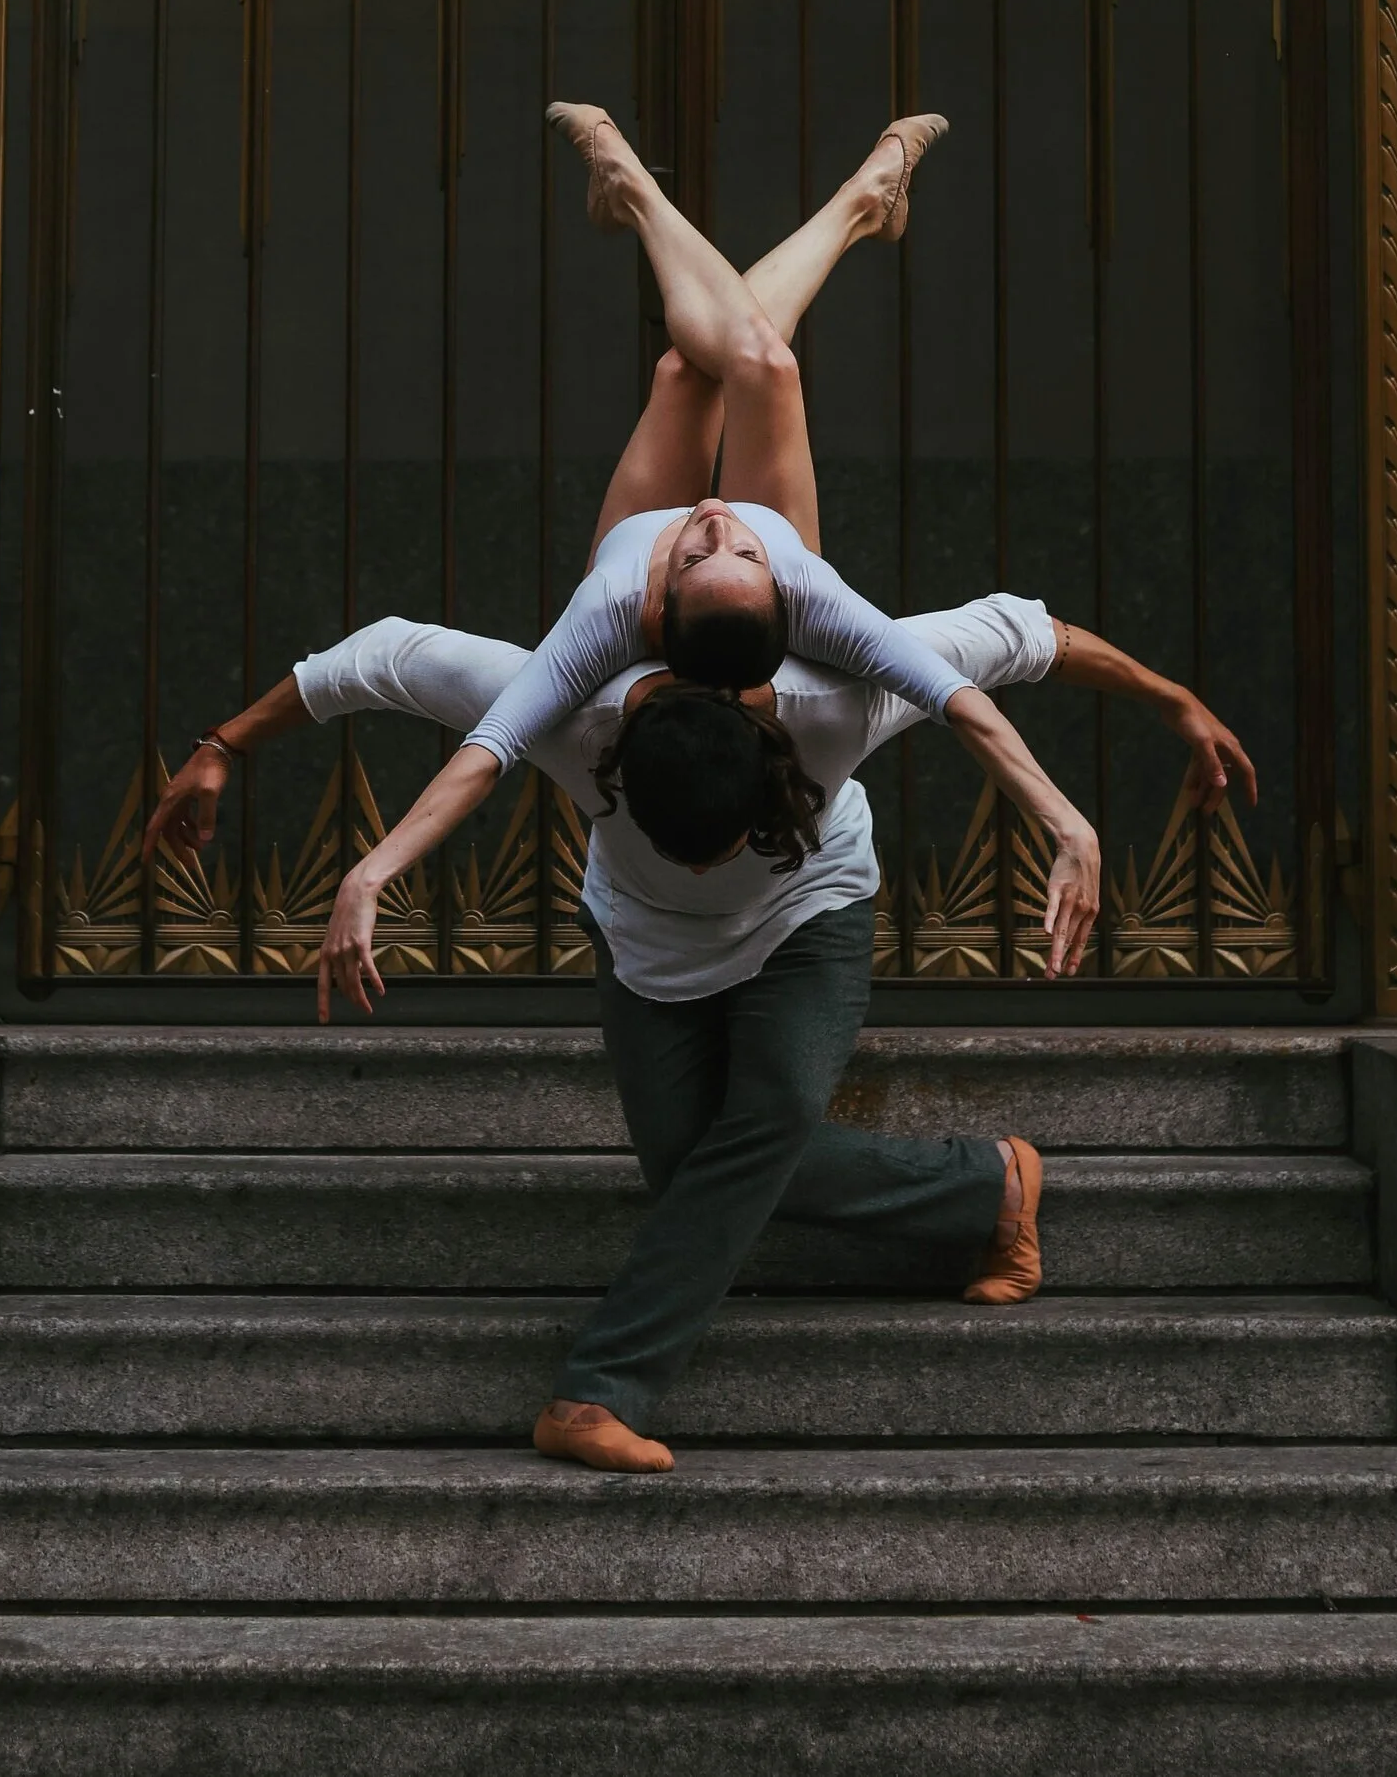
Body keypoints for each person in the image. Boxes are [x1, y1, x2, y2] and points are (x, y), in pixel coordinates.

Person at [145, 111, 1255, 1475]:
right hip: (649, 942)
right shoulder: (594, 687)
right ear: (618, 753)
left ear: (770, 750)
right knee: (729, 358)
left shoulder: (829, 692)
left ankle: (601, 1384)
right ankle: (989, 1183)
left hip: (808, 925)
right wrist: (289, 797)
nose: (704, 528)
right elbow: (393, 680)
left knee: (762, 1125)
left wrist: (1127, 746)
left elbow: (1009, 652)